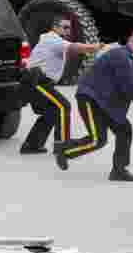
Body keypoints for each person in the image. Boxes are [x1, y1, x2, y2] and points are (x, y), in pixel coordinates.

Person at [56, 30, 133, 181]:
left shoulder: (129, 59)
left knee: (124, 130)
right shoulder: (122, 57)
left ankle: (119, 170)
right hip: (90, 98)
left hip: (105, 102)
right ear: (132, 43)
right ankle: (64, 150)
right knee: (97, 140)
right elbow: (132, 88)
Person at [19, 16, 104, 155]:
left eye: (69, 28)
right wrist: (96, 47)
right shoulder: (52, 39)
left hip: (37, 81)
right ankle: (62, 146)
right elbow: (75, 48)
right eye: (65, 27)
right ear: (55, 27)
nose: (68, 31)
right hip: (36, 81)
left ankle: (31, 145)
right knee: (64, 106)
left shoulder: (53, 40)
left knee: (51, 112)